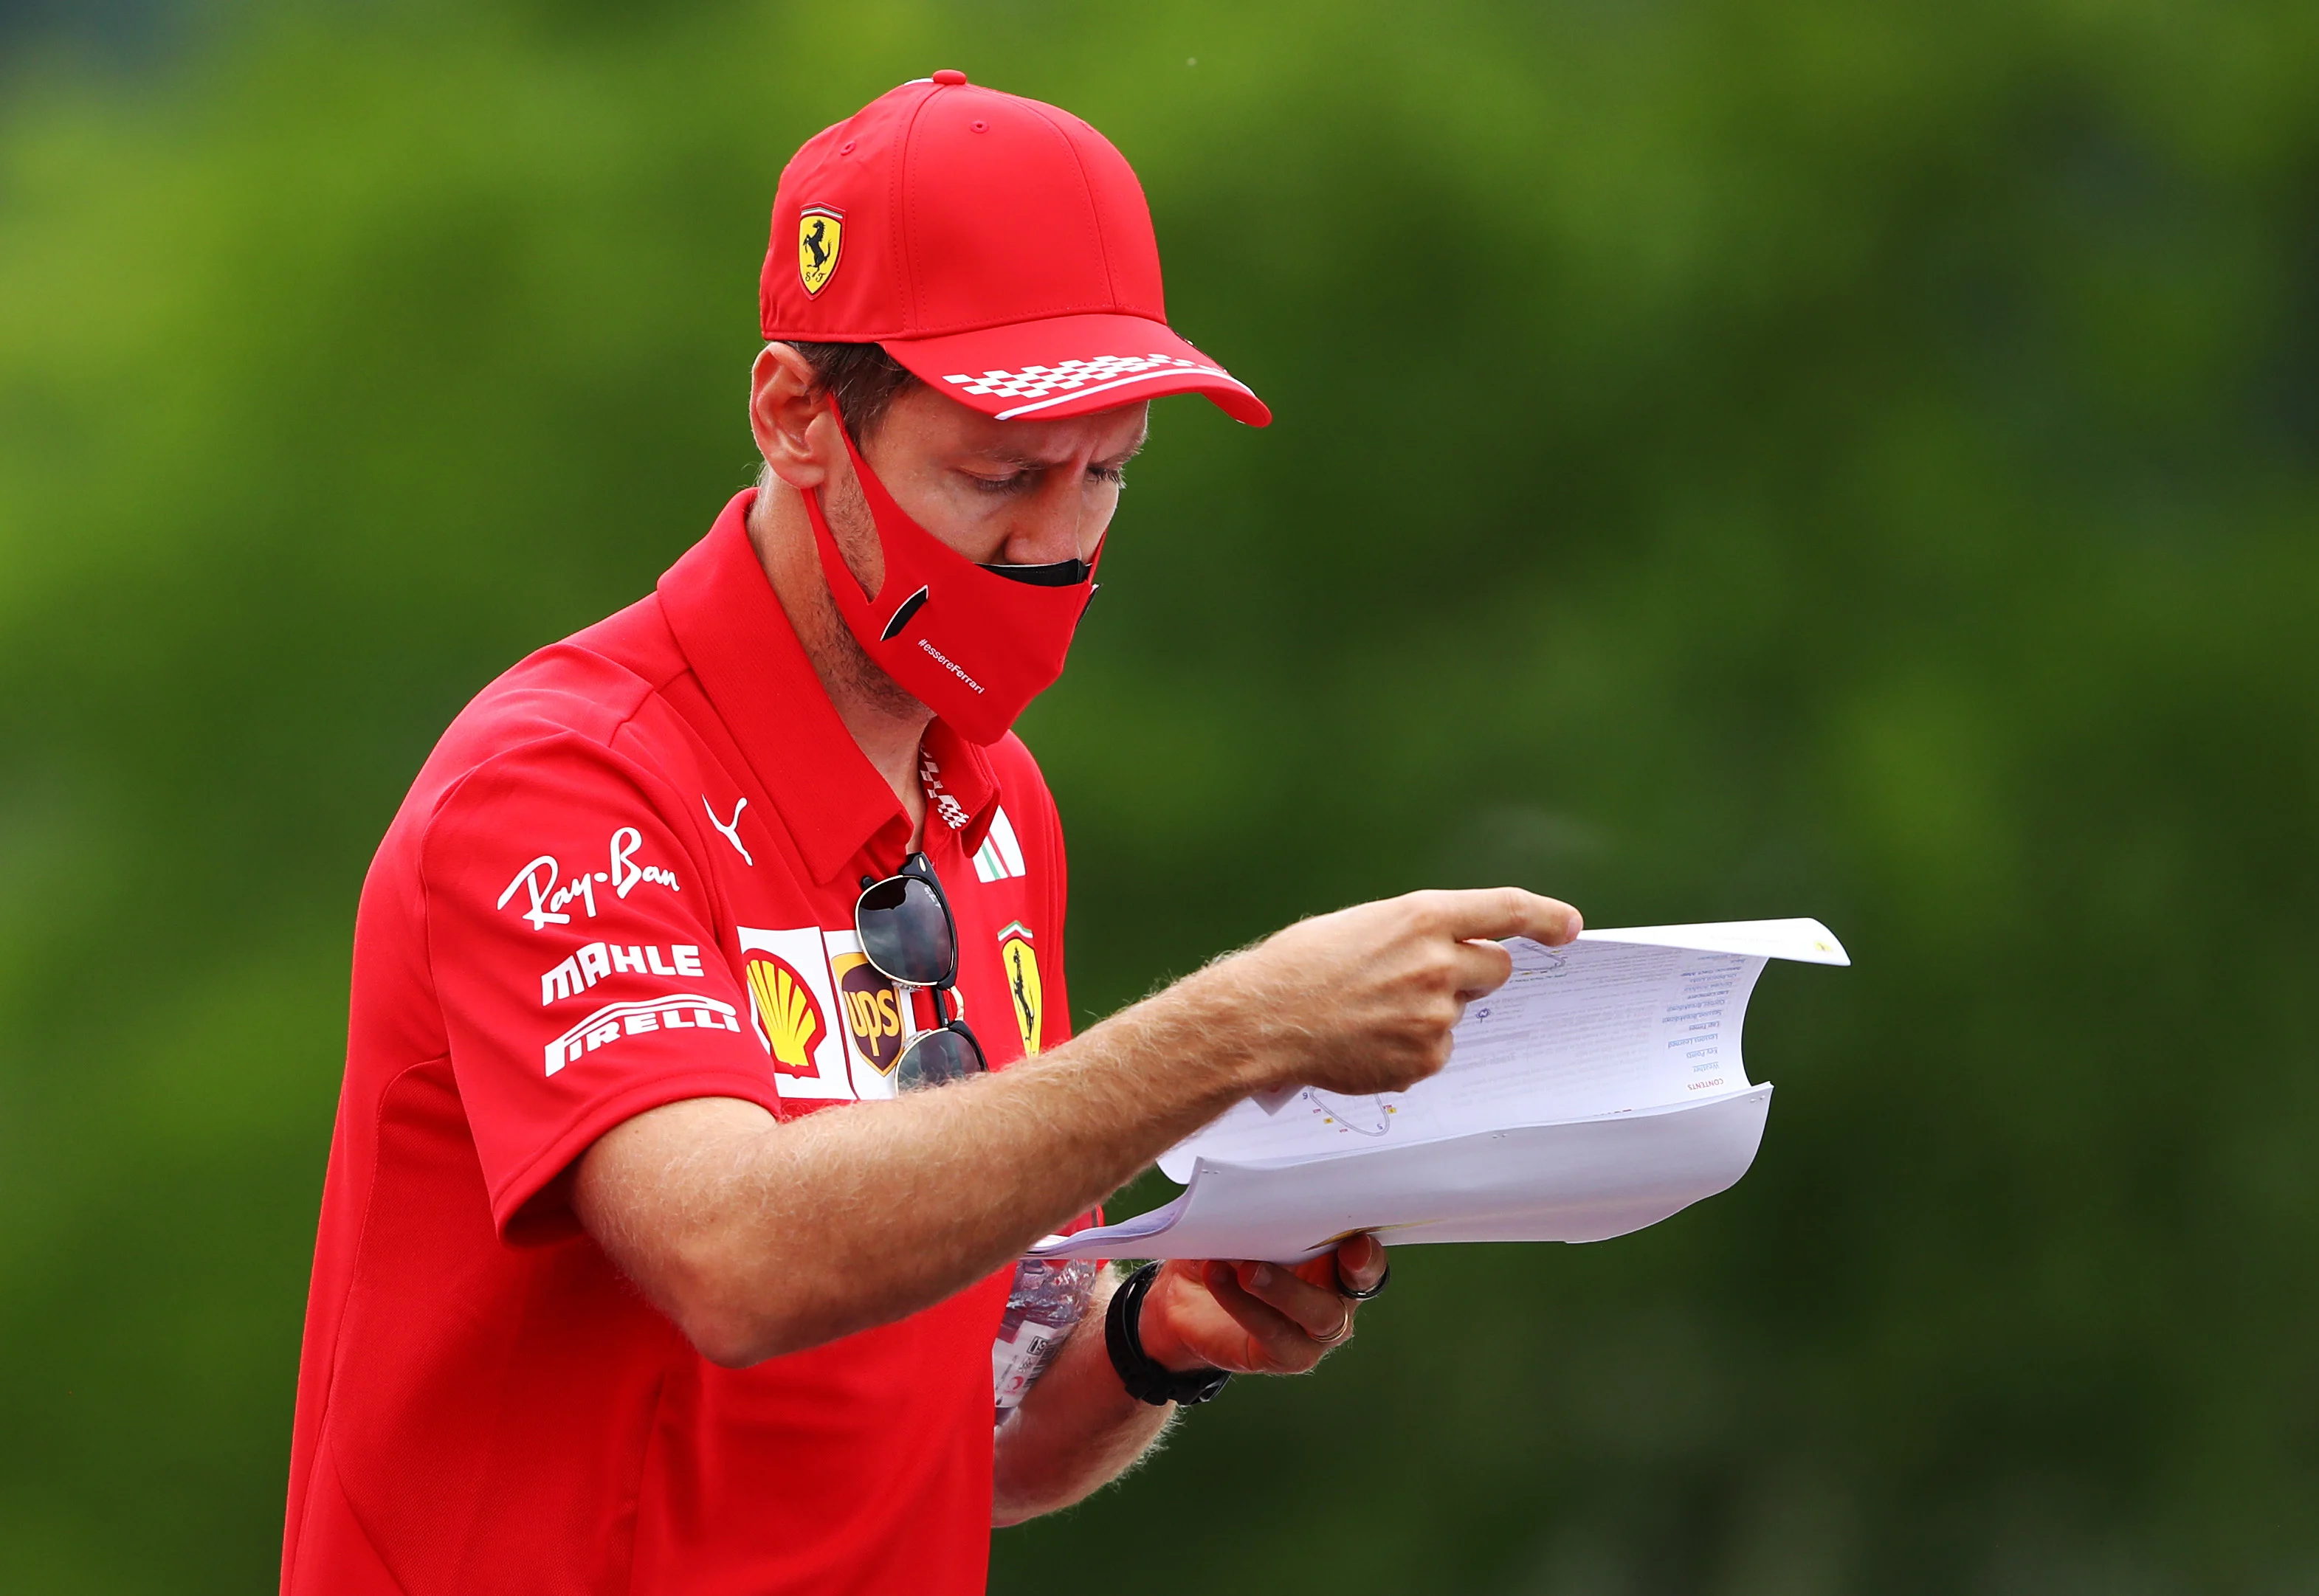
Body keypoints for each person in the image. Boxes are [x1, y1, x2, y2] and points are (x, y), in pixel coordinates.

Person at [279, 70, 1579, 1596]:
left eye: (1106, 476)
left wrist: (1151, 1335)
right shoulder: (560, 786)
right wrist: (1232, 1030)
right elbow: (737, 1257)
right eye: (998, 473)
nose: (1055, 542)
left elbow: (974, 1428)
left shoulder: (993, 799)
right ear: (795, 417)